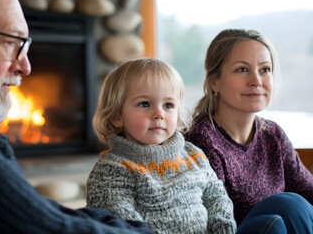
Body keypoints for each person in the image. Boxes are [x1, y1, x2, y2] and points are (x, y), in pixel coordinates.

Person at [0, 0, 153, 233]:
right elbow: (47, 227)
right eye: (10, 43)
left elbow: (34, 210)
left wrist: (115, 221)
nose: (26, 67)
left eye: (24, 46)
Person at [86, 57, 238, 233]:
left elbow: (216, 196)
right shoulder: (112, 169)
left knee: (272, 211)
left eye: (168, 105)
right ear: (116, 116)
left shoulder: (193, 155)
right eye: (144, 104)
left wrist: (223, 227)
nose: (159, 114)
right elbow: (121, 222)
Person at [185, 29, 313, 232]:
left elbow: (308, 190)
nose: (257, 80)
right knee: (288, 207)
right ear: (214, 82)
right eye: (242, 70)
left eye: (265, 69)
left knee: (295, 205)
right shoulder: (200, 140)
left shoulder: (273, 134)